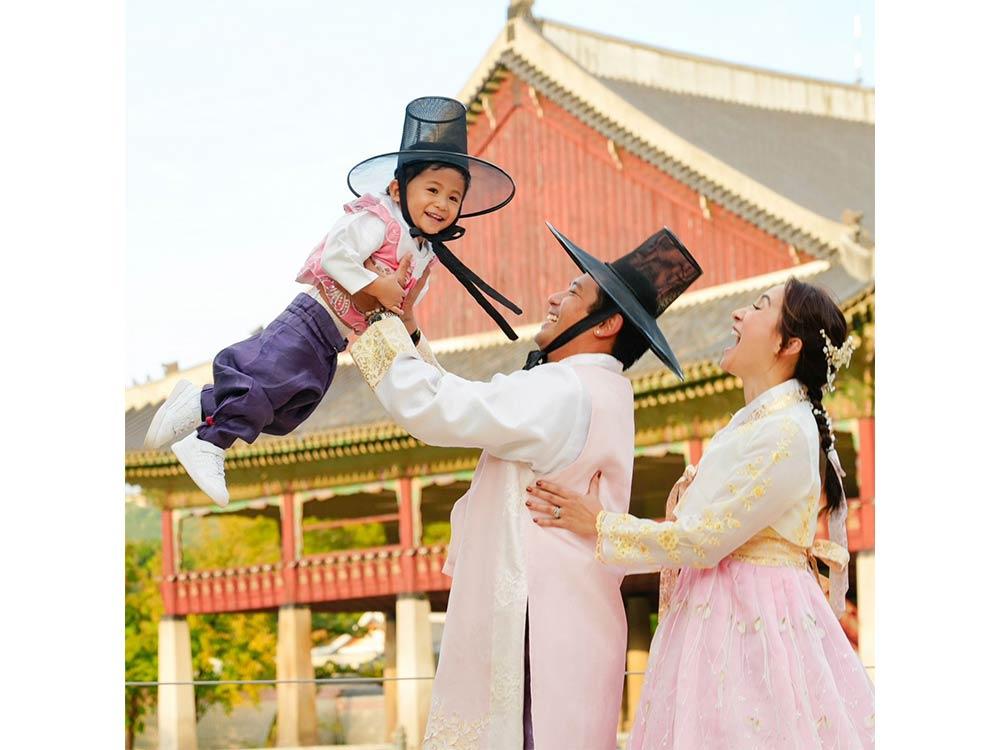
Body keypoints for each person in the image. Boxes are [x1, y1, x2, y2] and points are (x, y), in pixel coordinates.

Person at [349, 224, 701, 749]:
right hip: (576, 616)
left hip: (533, 615)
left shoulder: (562, 388)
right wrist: (410, 332)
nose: (554, 297)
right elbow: (476, 403)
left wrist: (372, 323)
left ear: (606, 325)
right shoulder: (600, 387)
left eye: (574, 292)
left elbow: (442, 409)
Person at [527, 277, 875, 749]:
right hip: (719, 611)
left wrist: (601, 524)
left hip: (752, 621)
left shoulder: (787, 432)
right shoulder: (759, 422)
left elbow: (705, 539)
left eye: (758, 306)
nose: (738, 315)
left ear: (788, 343)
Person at [142, 96, 518, 507]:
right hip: (311, 318)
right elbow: (335, 254)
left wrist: (429, 365)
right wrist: (378, 286)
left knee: (291, 405)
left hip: (335, 340)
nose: (442, 204)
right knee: (269, 383)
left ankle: (199, 402)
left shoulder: (424, 252)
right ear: (398, 188)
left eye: (452, 197)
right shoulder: (380, 219)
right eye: (432, 190)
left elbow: (399, 313)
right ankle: (209, 443)